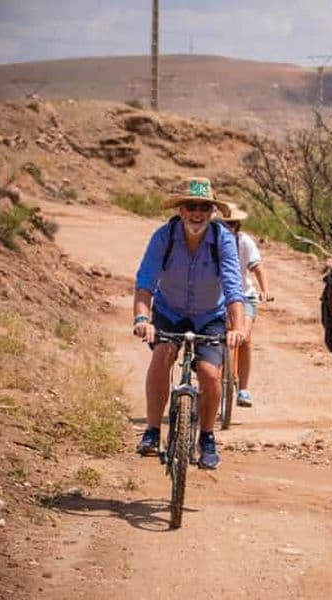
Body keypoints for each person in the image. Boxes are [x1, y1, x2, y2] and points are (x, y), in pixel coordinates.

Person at [132, 176, 247, 470]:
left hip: (210, 315)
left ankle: (207, 437)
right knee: (162, 355)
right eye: (191, 206)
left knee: (209, 373)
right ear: (181, 210)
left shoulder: (223, 240)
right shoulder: (164, 237)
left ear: (212, 212)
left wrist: (238, 328)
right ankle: (153, 431)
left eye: (204, 207)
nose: (197, 213)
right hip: (170, 311)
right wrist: (143, 318)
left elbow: (234, 288)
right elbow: (145, 283)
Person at [219, 203, 272, 407]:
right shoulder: (209, 243)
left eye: (231, 224)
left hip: (244, 297)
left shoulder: (244, 242)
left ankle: (243, 389)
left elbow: (257, 268)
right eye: (223, 225)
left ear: (237, 225)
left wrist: (265, 290)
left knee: (245, 337)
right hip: (216, 299)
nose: (227, 228)